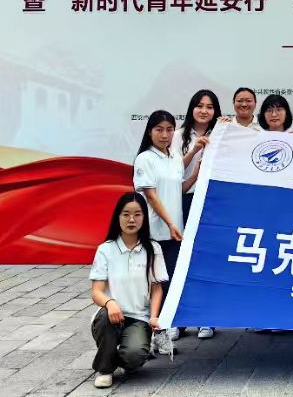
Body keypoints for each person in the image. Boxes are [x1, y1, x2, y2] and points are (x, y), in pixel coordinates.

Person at [89, 192, 169, 388]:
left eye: (137, 214)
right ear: (118, 217)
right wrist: (110, 303)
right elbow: (96, 292)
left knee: (134, 357)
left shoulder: (153, 249)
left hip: (139, 318)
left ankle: (116, 355)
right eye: (126, 214)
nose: (131, 219)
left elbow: (157, 288)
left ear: (144, 217)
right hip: (110, 315)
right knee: (105, 319)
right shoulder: (106, 249)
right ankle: (105, 369)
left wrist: (153, 317)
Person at [133, 110, 187, 355]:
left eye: (169, 130)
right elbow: (151, 196)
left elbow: (180, 188)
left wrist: (199, 169)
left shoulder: (174, 157)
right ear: (149, 132)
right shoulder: (145, 158)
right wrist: (170, 223)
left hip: (174, 233)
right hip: (154, 232)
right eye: (159, 130)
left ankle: (161, 330)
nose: (165, 135)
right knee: (153, 285)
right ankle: (149, 334)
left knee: (169, 282)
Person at [178, 91, 220, 341]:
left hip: (211, 203)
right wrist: (194, 150)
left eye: (210, 106)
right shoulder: (177, 136)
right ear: (191, 108)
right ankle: (180, 319)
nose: (204, 111)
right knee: (182, 260)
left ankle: (207, 318)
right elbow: (173, 171)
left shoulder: (222, 134)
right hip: (184, 199)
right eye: (200, 106)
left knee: (207, 259)